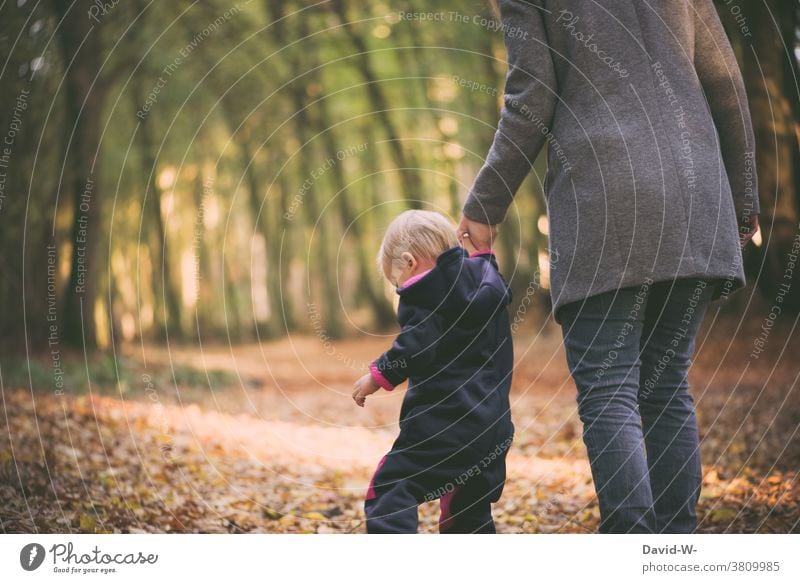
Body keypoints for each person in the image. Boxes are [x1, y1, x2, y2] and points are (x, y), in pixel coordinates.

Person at [457, 0, 760, 533]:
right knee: (666, 385)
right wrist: (743, 198)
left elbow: (532, 95)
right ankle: (673, 552)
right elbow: (727, 84)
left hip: (604, 200)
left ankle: (633, 547)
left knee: (610, 386)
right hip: (694, 197)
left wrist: (484, 207)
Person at [352, 210, 514, 533]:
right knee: (467, 510)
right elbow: (486, 271)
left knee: (390, 488)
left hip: (444, 425)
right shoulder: (486, 279)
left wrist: (377, 377)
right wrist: (483, 252)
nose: (400, 290)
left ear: (411, 263)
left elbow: (416, 345)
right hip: (491, 429)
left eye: (397, 283)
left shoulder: (426, 293)